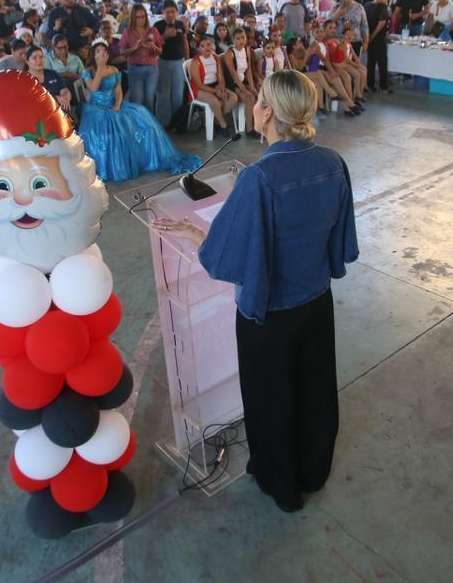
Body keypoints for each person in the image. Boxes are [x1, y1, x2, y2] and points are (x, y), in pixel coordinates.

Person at [153, 70, 358, 512]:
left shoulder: (259, 178)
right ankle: (313, 470)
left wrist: (197, 235)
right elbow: (341, 242)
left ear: (266, 113)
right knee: (315, 390)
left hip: (270, 316)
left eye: (259, 99)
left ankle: (282, 486)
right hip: (316, 303)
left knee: (270, 399)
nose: (254, 105)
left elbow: (227, 257)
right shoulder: (333, 162)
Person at [75, 40, 201, 182]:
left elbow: (118, 90)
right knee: (110, 132)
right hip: (96, 108)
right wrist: (100, 68)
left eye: (104, 51)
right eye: (98, 51)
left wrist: (117, 105)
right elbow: (93, 88)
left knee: (142, 116)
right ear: (93, 54)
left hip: (114, 104)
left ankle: (149, 159)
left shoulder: (114, 69)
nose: (102, 54)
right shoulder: (88, 71)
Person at [189, 36, 240, 135]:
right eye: (202, 46)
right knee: (213, 101)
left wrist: (222, 89)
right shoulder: (195, 62)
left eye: (208, 44)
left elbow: (220, 76)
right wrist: (216, 91)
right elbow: (199, 84)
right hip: (200, 89)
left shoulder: (215, 57)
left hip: (215, 85)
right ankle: (223, 125)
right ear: (198, 49)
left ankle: (216, 121)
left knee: (233, 98)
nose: (206, 47)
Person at [154, 0, 191, 128]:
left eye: (173, 11)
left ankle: (177, 121)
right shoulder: (158, 25)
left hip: (178, 62)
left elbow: (185, 42)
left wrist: (187, 60)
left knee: (177, 94)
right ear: (163, 12)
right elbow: (154, 45)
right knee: (163, 93)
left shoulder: (180, 24)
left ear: (177, 12)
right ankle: (164, 123)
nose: (170, 14)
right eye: (167, 12)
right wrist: (165, 36)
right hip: (163, 62)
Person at [119, 3, 161, 113]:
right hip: (135, 69)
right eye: (138, 17)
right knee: (137, 99)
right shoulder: (128, 32)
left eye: (143, 16)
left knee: (150, 99)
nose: (141, 20)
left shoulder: (153, 31)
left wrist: (154, 47)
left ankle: (148, 122)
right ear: (133, 18)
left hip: (152, 69)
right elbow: (122, 52)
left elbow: (160, 51)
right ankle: (137, 122)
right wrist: (135, 47)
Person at [223, 27, 260, 137]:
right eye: (238, 38)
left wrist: (252, 87)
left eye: (243, 37)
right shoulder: (229, 53)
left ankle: (256, 123)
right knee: (250, 98)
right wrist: (244, 90)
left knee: (258, 95)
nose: (241, 41)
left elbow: (248, 70)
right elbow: (234, 75)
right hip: (232, 84)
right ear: (233, 40)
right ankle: (249, 129)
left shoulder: (247, 50)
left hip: (243, 82)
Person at [27, 45, 72, 113]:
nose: (39, 60)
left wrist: (65, 98)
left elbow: (64, 89)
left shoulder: (52, 73)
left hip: (60, 110)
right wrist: (56, 99)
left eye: (41, 57)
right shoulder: (25, 79)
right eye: (34, 58)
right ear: (27, 61)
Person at [363, 0, 392, 93]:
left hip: (367, 36)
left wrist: (367, 36)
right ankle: (383, 86)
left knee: (370, 62)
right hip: (378, 38)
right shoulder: (383, 6)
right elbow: (382, 23)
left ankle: (370, 84)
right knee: (382, 62)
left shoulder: (367, 5)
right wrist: (373, 35)